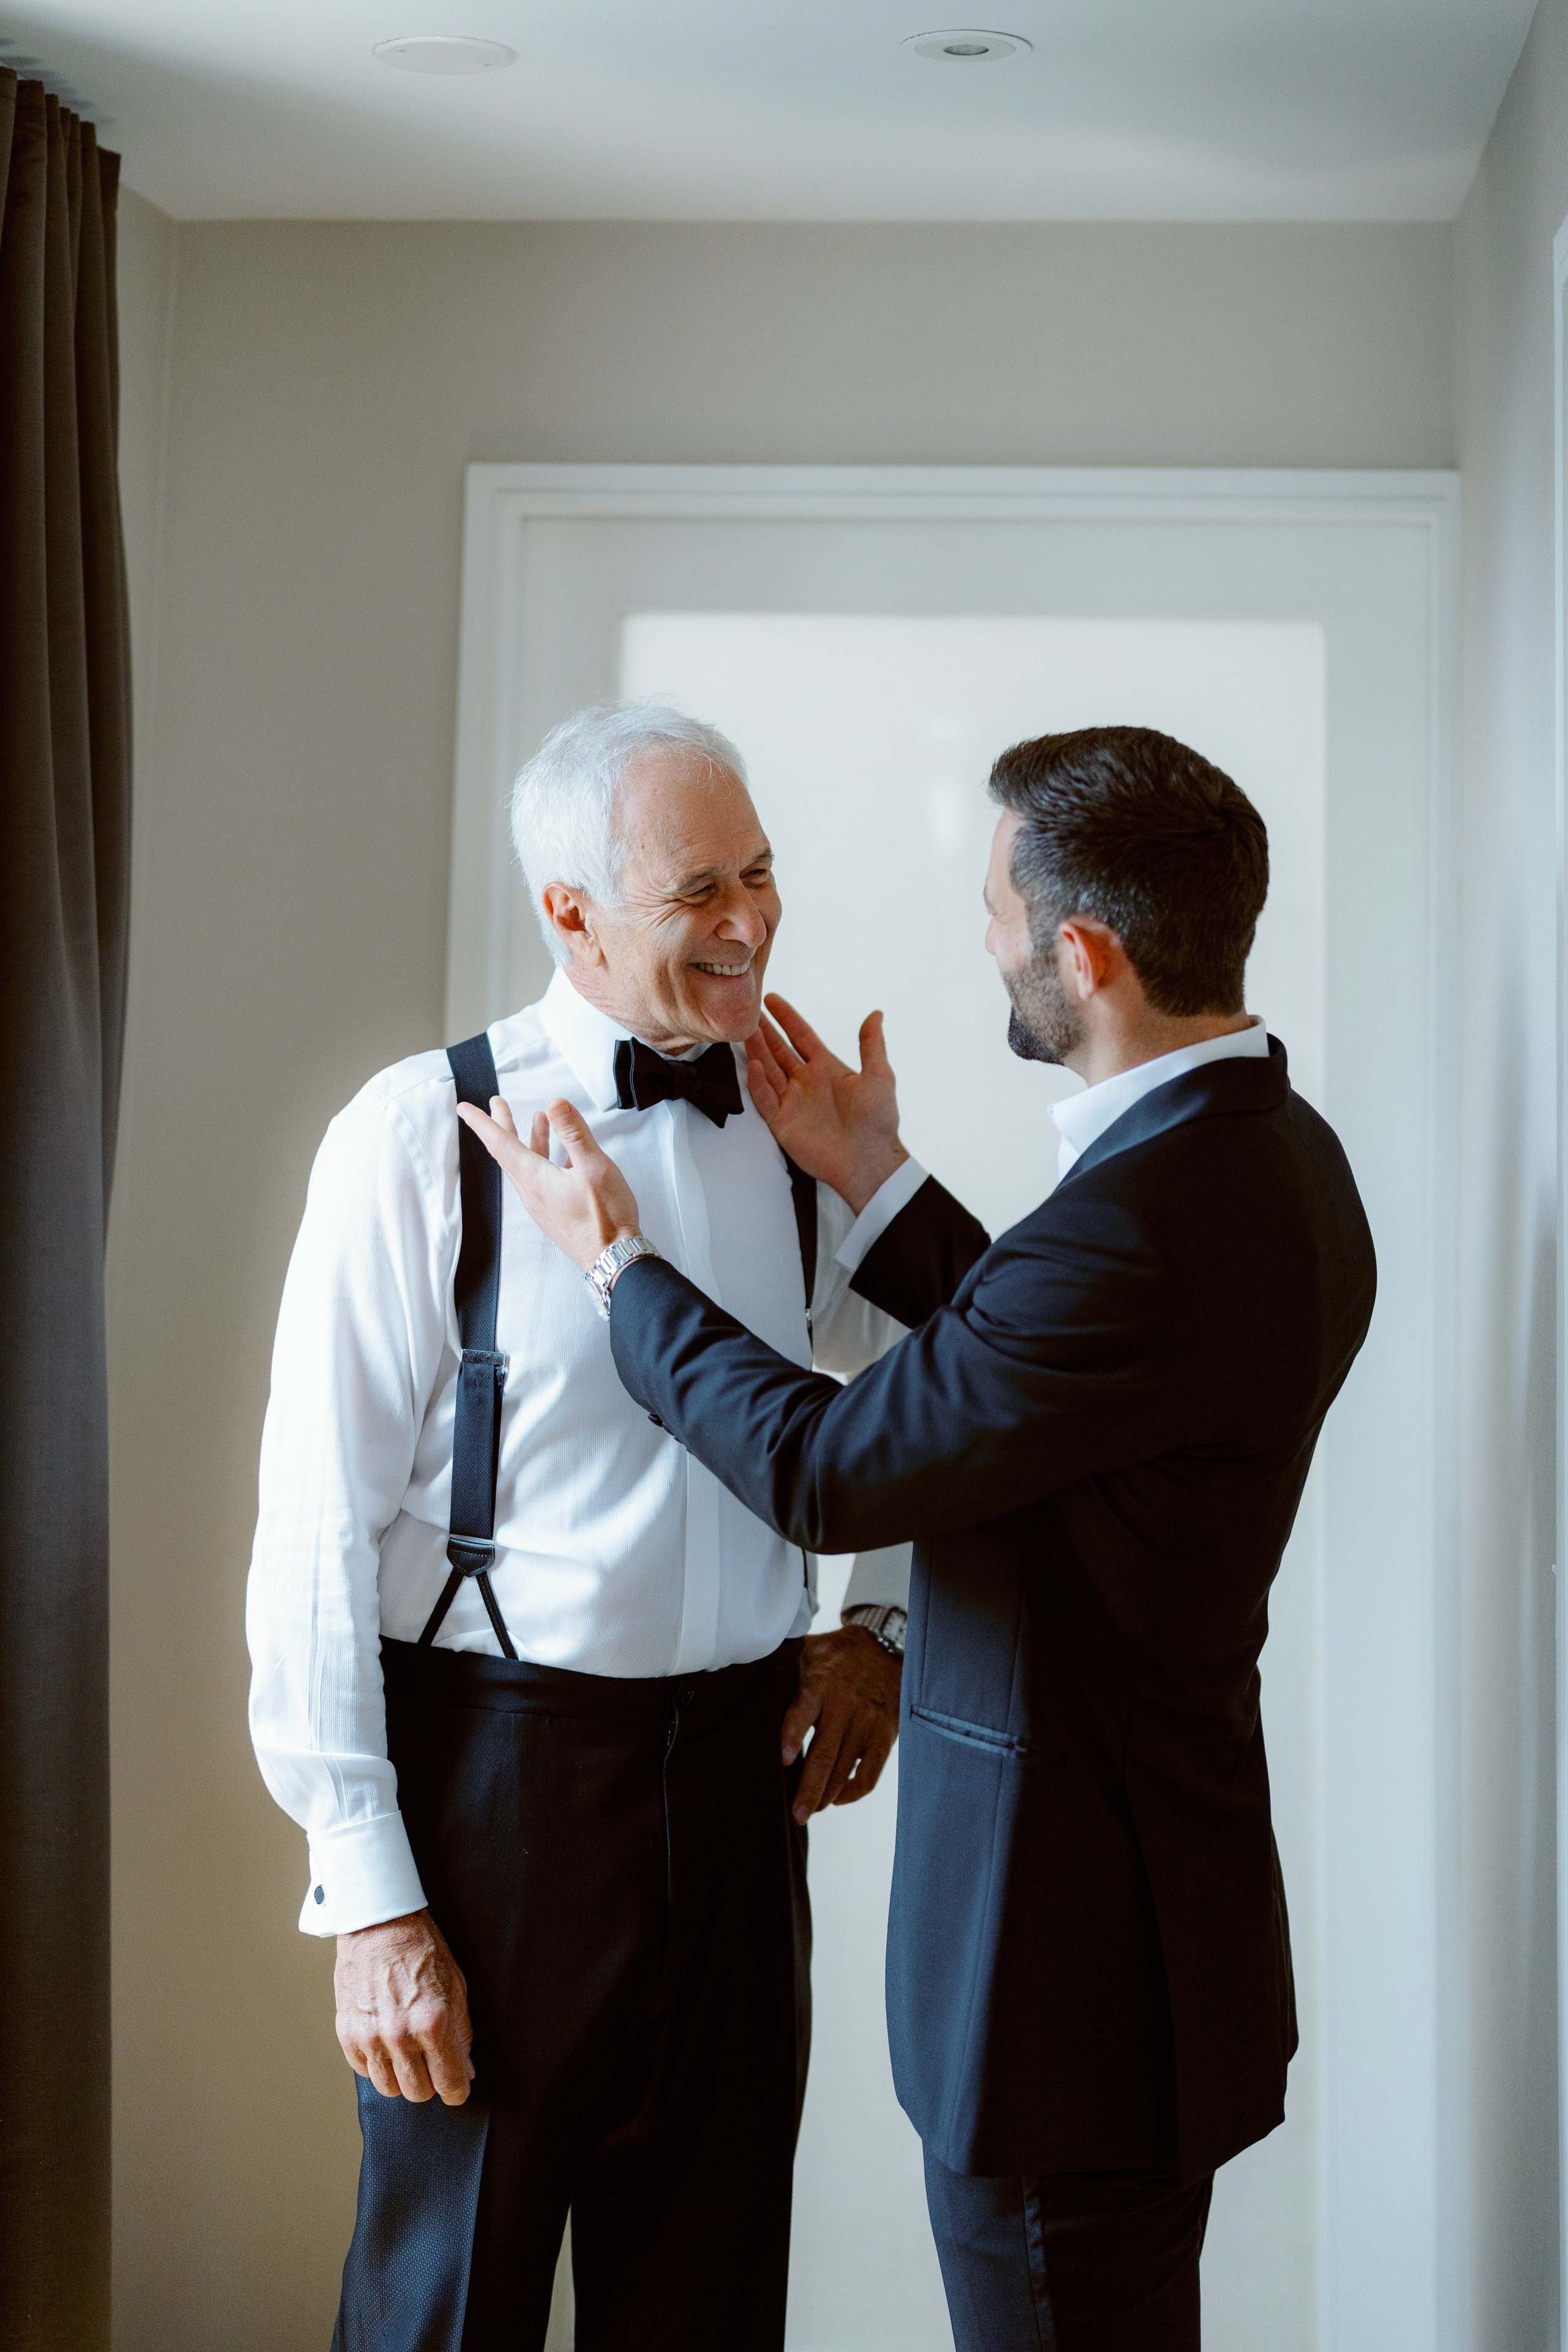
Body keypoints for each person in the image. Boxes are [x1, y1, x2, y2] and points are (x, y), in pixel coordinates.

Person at [457, 723, 1378, 2352]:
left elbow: (833, 1466)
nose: (986, 939)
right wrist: (874, 1178)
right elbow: (1047, 1386)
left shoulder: (1142, 1224)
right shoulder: (1272, 1161)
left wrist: (617, 1267)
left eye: (998, 911)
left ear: (1079, 954)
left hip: (1063, 1987)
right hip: (1159, 1950)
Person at [245, 701, 913, 2352]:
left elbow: (910, 1382)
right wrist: (374, 1904)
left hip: (741, 1798)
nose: (752, 921)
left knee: (706, 2303)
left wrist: (875, 1619)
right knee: (443, 2310)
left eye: (762, 872)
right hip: (497, 1803)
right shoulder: (419, 1135)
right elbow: (312, 1538)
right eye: (700, 890)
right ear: (571, 914)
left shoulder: (789, 1124)